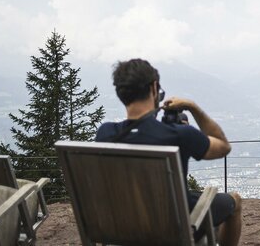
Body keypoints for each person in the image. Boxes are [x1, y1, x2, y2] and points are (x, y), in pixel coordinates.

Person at [96, 58, 242, 246]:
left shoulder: (105, 133)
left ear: (120, 93)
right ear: (154, 88)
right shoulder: (180, 134)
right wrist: (192, 106)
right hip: (174, 228)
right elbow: (223, 146)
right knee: (235, 201)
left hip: (123, 226)